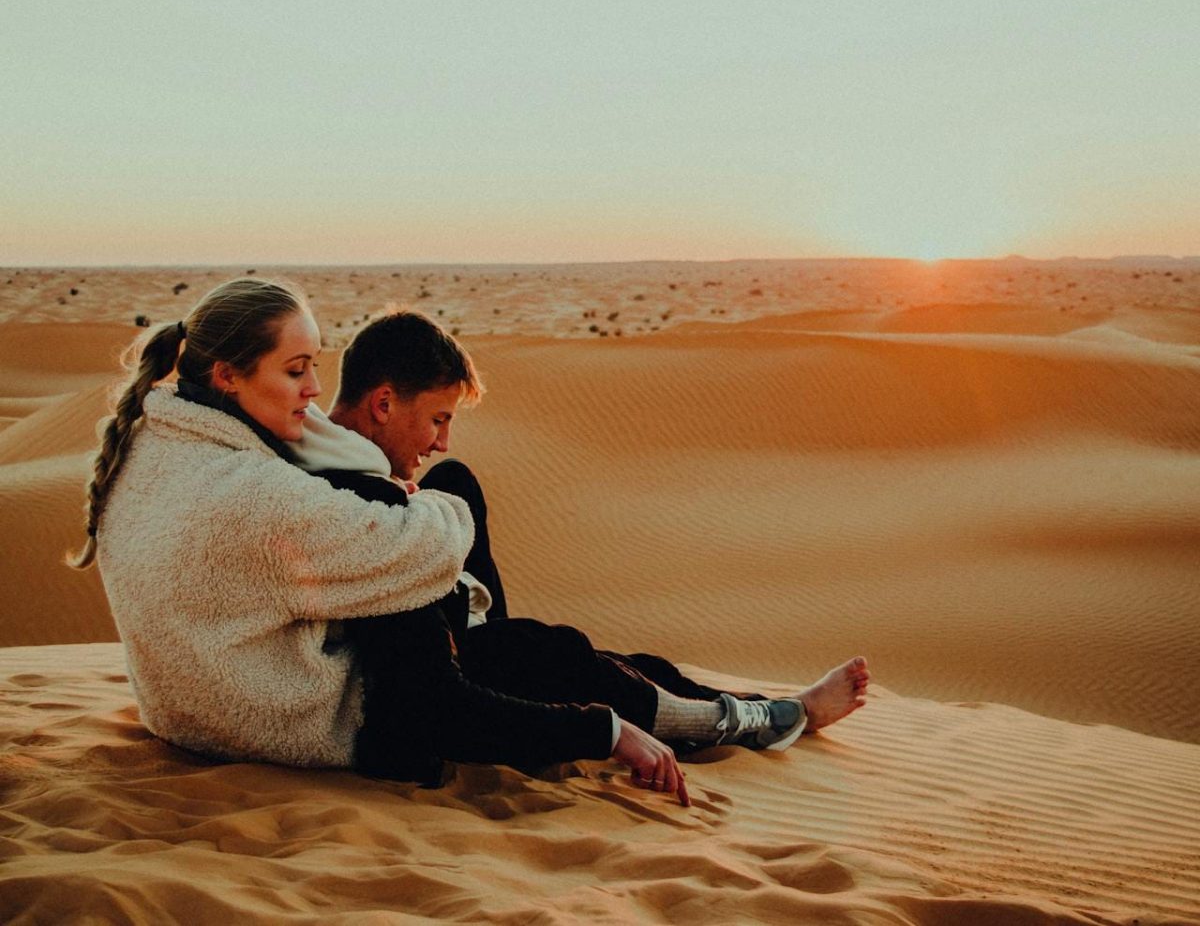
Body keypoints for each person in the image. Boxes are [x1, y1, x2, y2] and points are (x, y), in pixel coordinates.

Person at [68, 278, 867, 807]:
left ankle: (735, 705)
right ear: (228, 378)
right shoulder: (288, 497)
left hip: (205, 700)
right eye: (297, 370)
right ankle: (763, 717)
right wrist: (430, 507)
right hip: (310, 716)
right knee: (553, 653)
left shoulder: (155, 446)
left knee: (549, 646)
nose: (314, 391)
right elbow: (422, 624)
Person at [286, 308, 871, 796]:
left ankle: (747, 704)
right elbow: (423, 700)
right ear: (384, 404)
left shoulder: (326, 446)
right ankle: (757, 720)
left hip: (452, 633)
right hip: (410, 688)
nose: (441, 440)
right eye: (437, 419)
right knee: (556, 653)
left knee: (463, 490)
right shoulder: (362, 505)